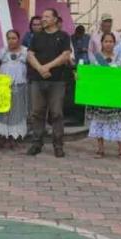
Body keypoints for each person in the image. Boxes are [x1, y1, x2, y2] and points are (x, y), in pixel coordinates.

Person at [26, 8, 72, 157]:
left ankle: (58, 145)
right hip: (37, 81)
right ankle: (36, 143)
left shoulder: (63, 36)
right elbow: (30, 55)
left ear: (55, 19)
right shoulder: (36, 36)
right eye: (43, 16)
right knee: (37, 112)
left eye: (47, 16)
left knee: (56, 113)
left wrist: (48, 66)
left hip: (57, 81)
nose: (43, 19)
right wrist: (40, 69)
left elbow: (65, 55)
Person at [87, 33, 121, 159]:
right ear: (102, 43)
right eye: (106, 41)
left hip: (114, 97)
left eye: (111, 41)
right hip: (100, 96)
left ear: (114, 43)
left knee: (118, 123)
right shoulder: (96, 59)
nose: (108, 43)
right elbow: (91, 76)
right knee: (99, 122)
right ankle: (100, 149)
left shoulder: (120, 58)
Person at [0, 30, 28, 148]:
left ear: (18, 39)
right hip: (3, 86)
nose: (11, 40)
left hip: (19, 86)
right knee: (4, 110)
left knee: (17, 110)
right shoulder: (2, 52)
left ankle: (14, 136)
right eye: (9, 38)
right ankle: (3, 135)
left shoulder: (25, 52)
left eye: (14, 38)